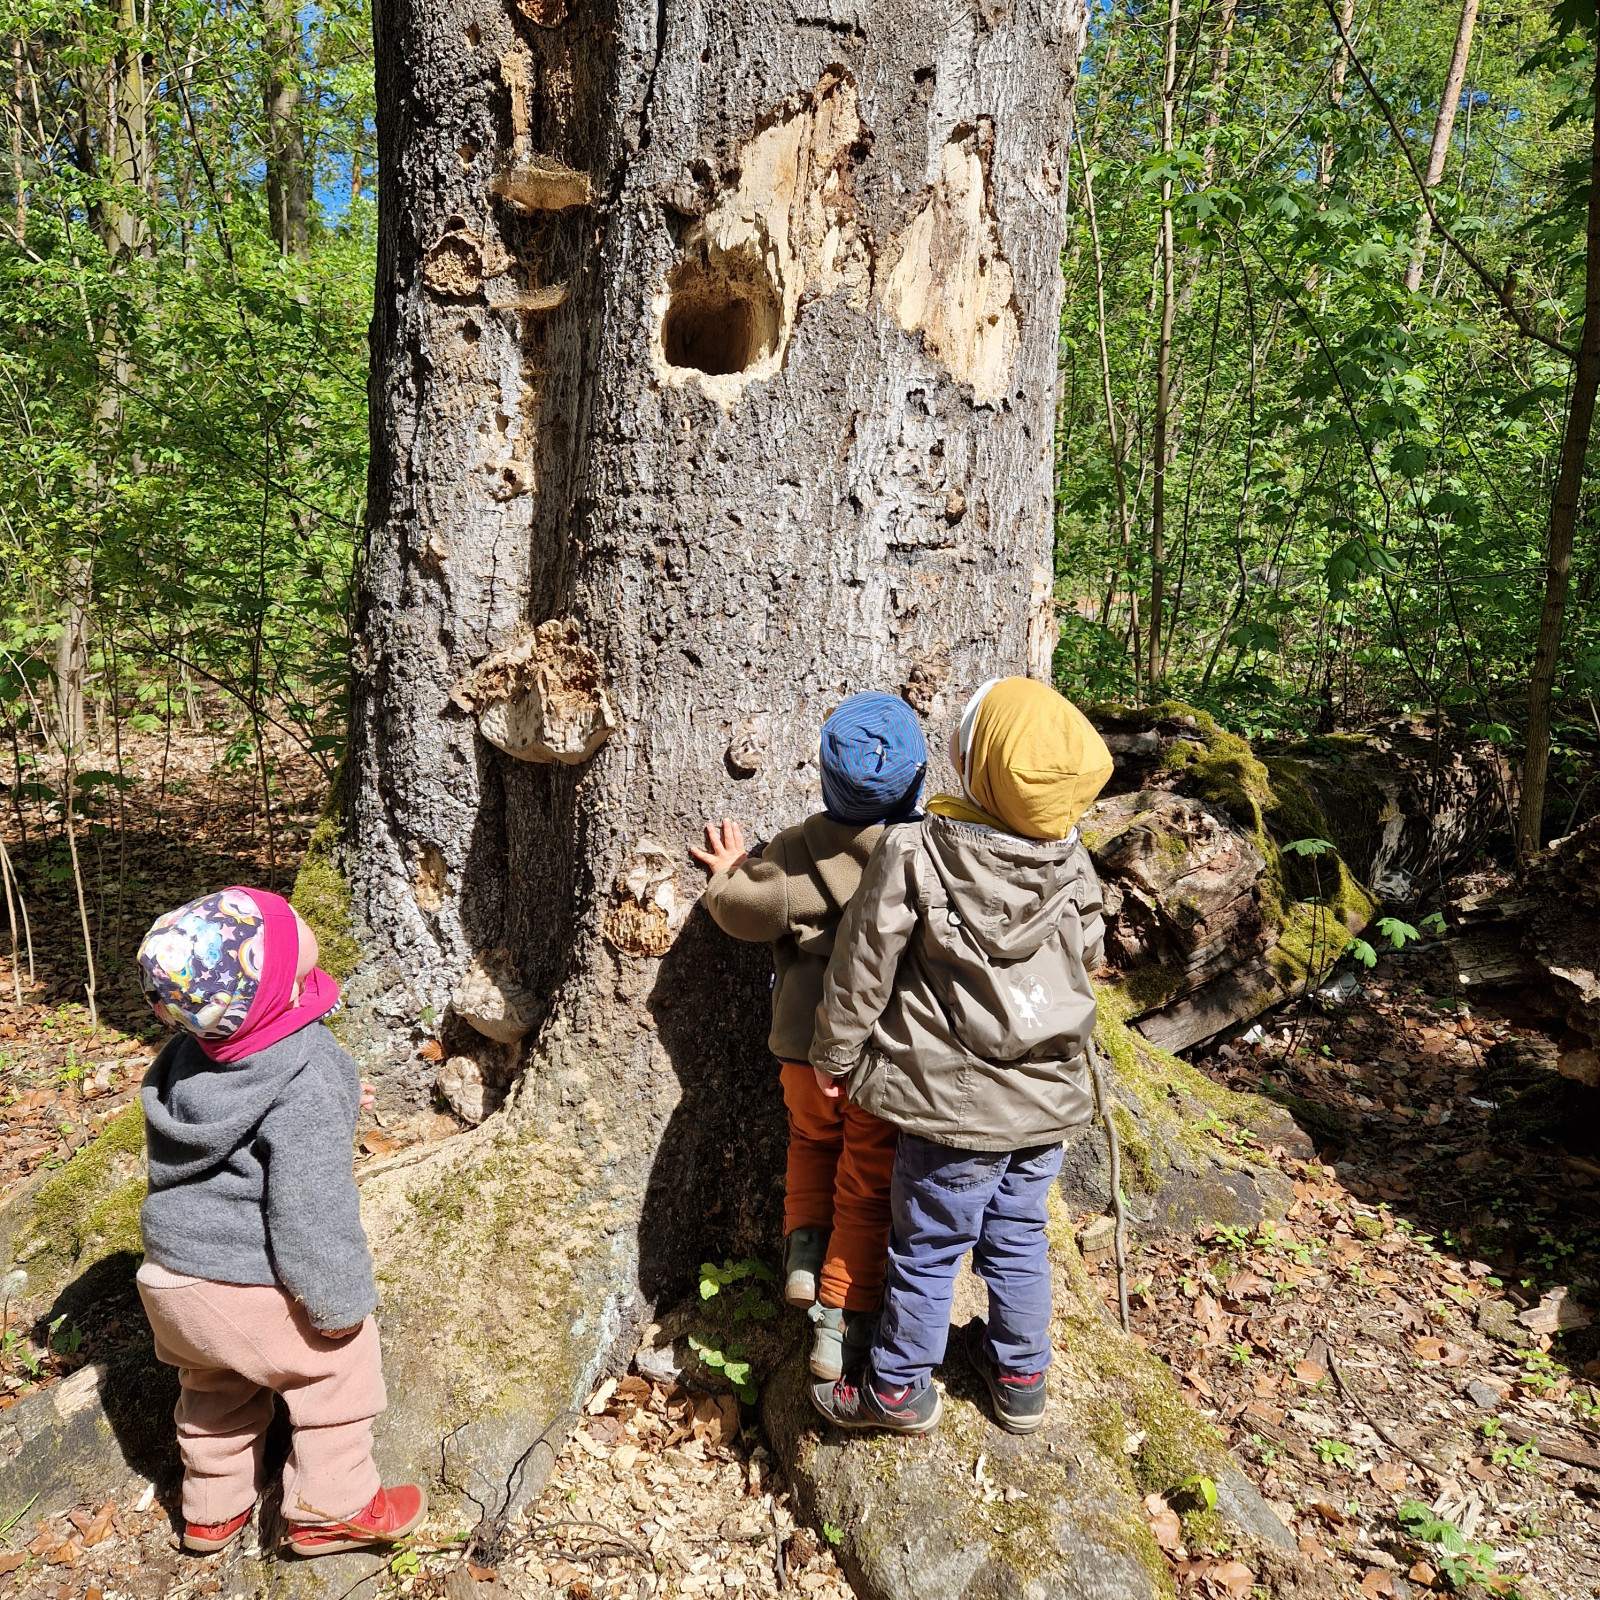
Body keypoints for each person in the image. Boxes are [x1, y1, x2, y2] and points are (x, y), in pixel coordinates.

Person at [806, 677, 1113, 1436]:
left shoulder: (915, 850)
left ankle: (895, 1389)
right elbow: (1090, 954)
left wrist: (833, 1056)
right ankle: (1021, 1377)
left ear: (984, 770)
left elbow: (862, 966)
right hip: (1046, 1100)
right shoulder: (1074, 861)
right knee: (1019, 1235)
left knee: (927, 1247)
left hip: (953, 1106)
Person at [136, 887, 427, 1556]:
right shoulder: (306, 1069)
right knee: (337, 1370)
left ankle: (211, 1508)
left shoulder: (187, 1052)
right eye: (288, 936)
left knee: (215, 1387)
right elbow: (311, 1210)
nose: (299, 920)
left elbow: (244, 1114)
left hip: (170, 1281)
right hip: (238, 1281)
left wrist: (333, 1098)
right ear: (275, 991)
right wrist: (339, 1304)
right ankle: (333, 1504)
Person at [691, 692, 927, 1381]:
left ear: (824, 780)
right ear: (918, 781)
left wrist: (727, 876)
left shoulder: (797, 850)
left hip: (801, 1055)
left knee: (811, 1143)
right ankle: (838, 1320)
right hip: (883, 1062)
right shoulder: (924, 855)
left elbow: (744, 909)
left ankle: (801, 1258)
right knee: (867, 1183)